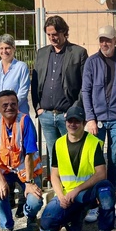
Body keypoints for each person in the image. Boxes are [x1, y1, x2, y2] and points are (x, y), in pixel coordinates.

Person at [39, 106, 116, 231]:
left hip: (87, 193)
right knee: (47, 226)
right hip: (67, 194)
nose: (72, 124)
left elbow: (101, 174)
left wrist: (77, 190)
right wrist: (61, 197)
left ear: (84, 122)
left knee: (106, 189)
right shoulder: (58, 144)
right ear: (65, 121)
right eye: (70, 121)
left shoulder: (93, 143)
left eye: (77, 121)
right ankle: (75, 216)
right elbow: (54, 175)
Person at [81, 25, 116, 222]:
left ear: (115, 41)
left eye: (108, 40)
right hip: (98, 121)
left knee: (114, 160)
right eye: (101, 40)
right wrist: (90, 118)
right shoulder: (91, 62)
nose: (105, 43)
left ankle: (110, 200)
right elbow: (85, 91)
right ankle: (95, 202)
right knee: (95, 161)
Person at [0, 90, 43, 231]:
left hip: (25, 170)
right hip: (4, 170)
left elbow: (29, 154)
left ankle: (31, 218)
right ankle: (7, 227)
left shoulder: (25, 120)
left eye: (13, 104)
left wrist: (29, 183)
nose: (9, 107)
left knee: (35, 199)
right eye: (5, 105)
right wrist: (0, 181)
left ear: (18, 106)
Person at [31, 15, 88, 162]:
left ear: (64, 32)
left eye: (55, 34)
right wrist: (38, 108)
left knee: (72, 153)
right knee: (53, 155)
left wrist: (74, 109)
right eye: (49, 35)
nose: (52, 38)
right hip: (46, 115)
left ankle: (73, 184)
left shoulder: (78, 53)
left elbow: (85, 85)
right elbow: (35, 81)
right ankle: (56, 184)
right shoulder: (42, 53)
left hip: (68, 116)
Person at [0, 34, 30, 114]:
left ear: (14, 48)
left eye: (7, 48)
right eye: (1, 48)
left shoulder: (21, 67)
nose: (4, 51)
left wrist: (7, 108)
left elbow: (23, 92)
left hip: (17, 115)